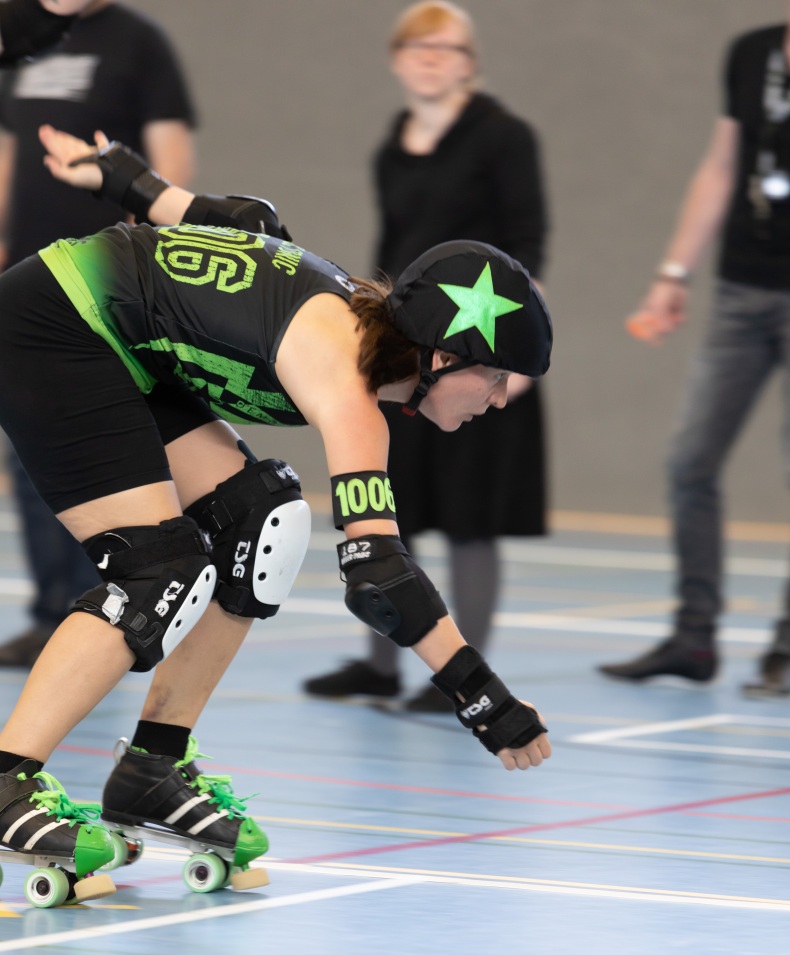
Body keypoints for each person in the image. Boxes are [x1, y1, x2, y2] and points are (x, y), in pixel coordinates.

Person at [0, 125, 553, 908]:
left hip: (122, 345)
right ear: (442, 355)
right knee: (158, 572)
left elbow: (242, 223)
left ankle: (153, 767)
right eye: (494, 377)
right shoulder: (347, 382)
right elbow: (380, 578)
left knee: (261, 521)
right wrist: (484, 699)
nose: (499, 399)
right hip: (55, 329)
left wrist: (126, 179)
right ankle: (6, 780)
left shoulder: (349, 317)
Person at [304, 2, 549, 712]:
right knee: (389, 506)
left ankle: (462, 670)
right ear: (398, 60)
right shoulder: (393, 145)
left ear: (470, 63)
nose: (432, 59)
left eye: (447, 48)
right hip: (412, 360)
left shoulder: (504, 136)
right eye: (419, 48)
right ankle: (380, 663)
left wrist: (509, 369)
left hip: (479, 361)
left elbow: (527, 249)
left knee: (471, 519)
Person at [600, 1, 790, 698]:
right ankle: (693, 637)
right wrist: (673, 274)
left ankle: (789, 647)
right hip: (743, 289)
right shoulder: (752, 51)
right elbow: (722, 168)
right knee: (690, 461)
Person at [0, 0, 196, 667]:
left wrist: (152, 267)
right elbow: (10, 152)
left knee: (114, 452)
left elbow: (172, 163)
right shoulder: (26, 36)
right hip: (30, 287)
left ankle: (120, 604)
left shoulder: (141, 43)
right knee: (31, 458)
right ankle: (55, 613)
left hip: (108, 286)